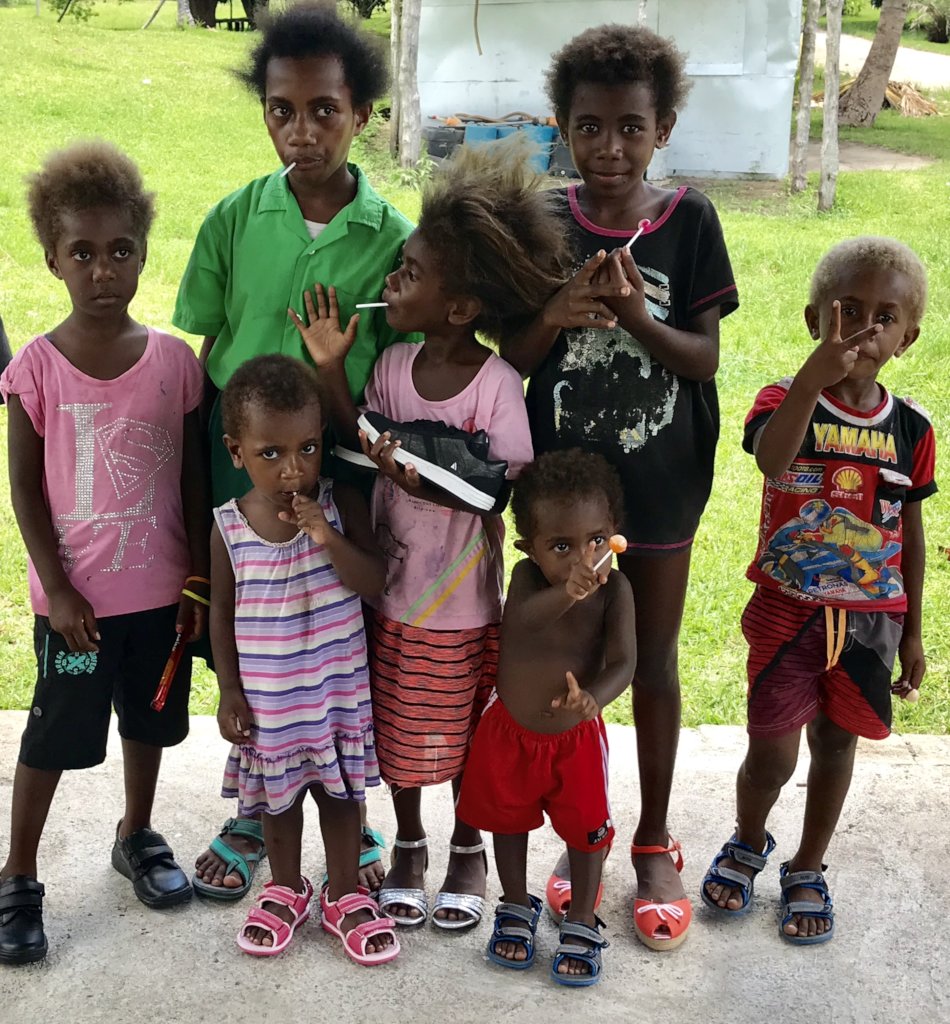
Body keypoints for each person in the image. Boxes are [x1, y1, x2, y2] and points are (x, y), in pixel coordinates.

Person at [290, 137, 569, 929]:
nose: (391, 281)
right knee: (400, 733)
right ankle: (410, 841)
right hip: (392, 594)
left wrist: (426, 475)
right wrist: (331, 368)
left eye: (409, 273)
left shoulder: (496, 385)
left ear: (461, 308)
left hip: (459, 606)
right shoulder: (391, 367)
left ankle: (468, 844)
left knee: (465, 735)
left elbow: (501, 487)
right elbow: (359, 441)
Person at [501, 24, 739, 949]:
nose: (609, 148)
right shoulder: (544, 219)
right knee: (577, 662)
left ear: (663, 129)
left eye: (631, 128)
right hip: (564, 506)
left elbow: (703, 359)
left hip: (662, 488)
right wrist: (557, 310)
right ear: (562, 126)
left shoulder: (690, 221)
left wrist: (636, 314)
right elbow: (512, 357)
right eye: (590, 127)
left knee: (653, 662)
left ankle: (652, 838)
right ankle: (583, 829)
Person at [172, 3, 415, 899]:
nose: (302, 130)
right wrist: (212, 467)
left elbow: (396, 371)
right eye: (282, 110)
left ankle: (347, 798)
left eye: (324, 110)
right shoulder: (235, 219)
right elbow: (208, 349)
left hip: (336, 465)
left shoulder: (393, 239)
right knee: (247, 631)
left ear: (362, 115)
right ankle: (254, 807)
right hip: (241, 460)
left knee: (336, 634)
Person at [0, 142, 207, 965]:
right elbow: (24, 490)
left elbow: (193, 479)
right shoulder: (35, 370)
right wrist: (58, 588)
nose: (102, 270)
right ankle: (19, 874)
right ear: (52, 259)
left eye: (120, 250)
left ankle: (137, 832)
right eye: (81, 252)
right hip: (76, 610)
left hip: (160, 597)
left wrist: (197, 581)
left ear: (144, 253)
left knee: (149, 721)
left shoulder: (175, 364)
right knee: (54, 734)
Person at [701, 237, 935, 945]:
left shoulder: (912, 428)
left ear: (908, 337)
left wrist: (914, 630)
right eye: (848, 311)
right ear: (814, 320)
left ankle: (807, 864)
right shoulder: (783, 399)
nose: (864, 330)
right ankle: (748, 839)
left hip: (872, 620)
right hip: (787, 611)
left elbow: (911, 532)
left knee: (836, 743)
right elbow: (774, 463)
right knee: (771, 753)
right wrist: (811, 380)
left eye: (885, 318)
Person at [211, 354, 399, 962]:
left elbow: (373, 580)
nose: (293, 469)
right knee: (280, 801)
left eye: (307, 449)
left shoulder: (342, 504)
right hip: (271, 702)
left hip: (335, 695)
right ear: (236, 451)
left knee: (342, 800)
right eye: (270, 453)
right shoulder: (229, 528)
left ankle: (343, 893)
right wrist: (229, 691)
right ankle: (286, 887)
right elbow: (221, 614)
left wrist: (326, 535)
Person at [456, 449, 636, 986]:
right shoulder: (528, 581)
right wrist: (566, 592)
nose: (584, 558)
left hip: (574, 739)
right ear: (528, 548)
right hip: (510, 732)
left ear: (614, 534)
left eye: (596, 540)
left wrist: (593, 699)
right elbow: (523, 624)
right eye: (562, 546)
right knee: (506, 822)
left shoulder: (617, 591)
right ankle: (515, 904)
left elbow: (624, 662)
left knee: (587, 832)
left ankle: (581, 918)